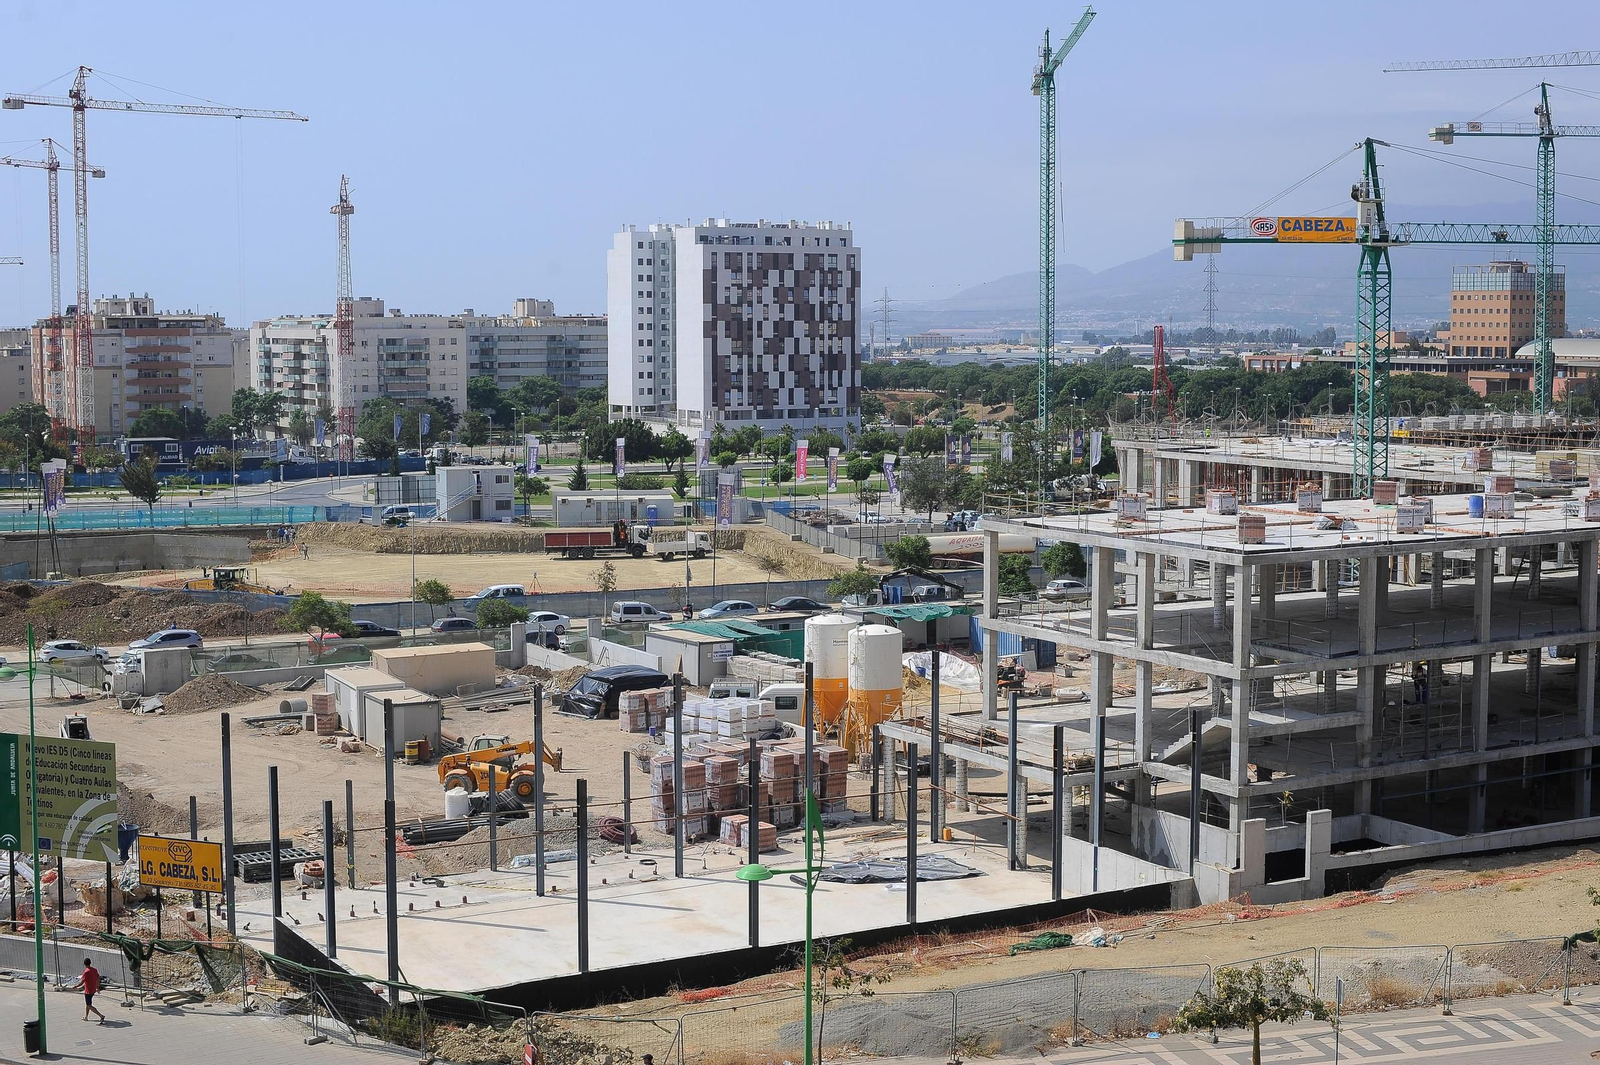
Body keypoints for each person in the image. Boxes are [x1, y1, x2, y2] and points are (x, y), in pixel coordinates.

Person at [73, 958, 105, 1023]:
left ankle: (101, 1015)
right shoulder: (94, 970)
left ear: (84, 964)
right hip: (93, 989)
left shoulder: (86, 972)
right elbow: (98, 977)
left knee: (89, 1005)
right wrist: (97, 987)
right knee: (88, 1004)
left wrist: (76, 986)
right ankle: (86, 1017)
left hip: (88, 991)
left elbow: (82, 982)